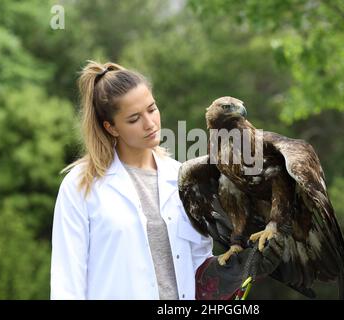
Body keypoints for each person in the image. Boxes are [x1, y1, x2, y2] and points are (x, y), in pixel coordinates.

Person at [50, 61, 284, 300]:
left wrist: (234, 270)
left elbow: (197, 270)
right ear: (111, 128)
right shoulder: (81, 185)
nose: (150, 123)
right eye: (134, 119)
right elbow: (66, 284)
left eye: (152, 109)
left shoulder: (183, 178)